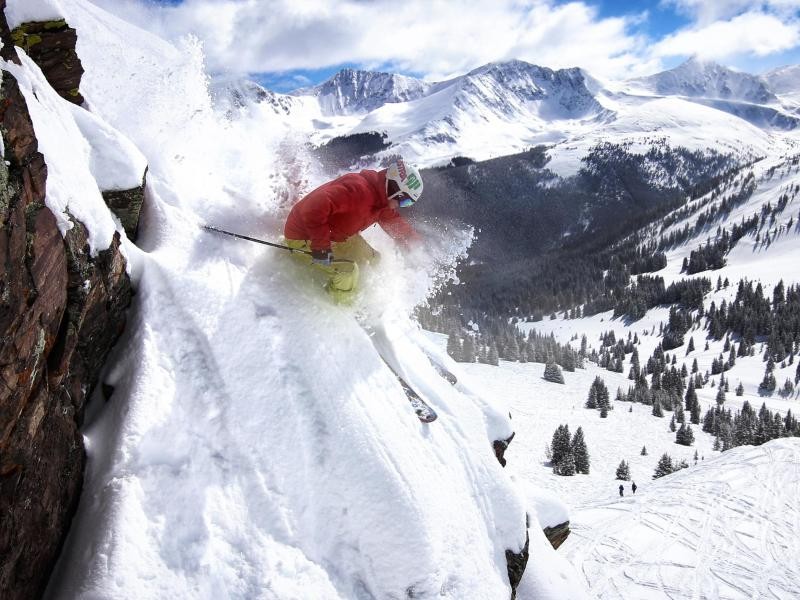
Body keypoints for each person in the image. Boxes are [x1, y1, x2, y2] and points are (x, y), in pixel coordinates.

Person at [283, 158, 423, 303]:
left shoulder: (381, 201)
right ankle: (338, 307)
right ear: (396, 190)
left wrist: (415, 245)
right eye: (405, 201)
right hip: (304, 236)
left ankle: (355, 292)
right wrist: (321, 246)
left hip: (335, 235)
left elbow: (394, 222)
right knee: (348, 271)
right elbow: (314, 207)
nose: (401, 206)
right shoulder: (358, 191)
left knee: (374, 260)